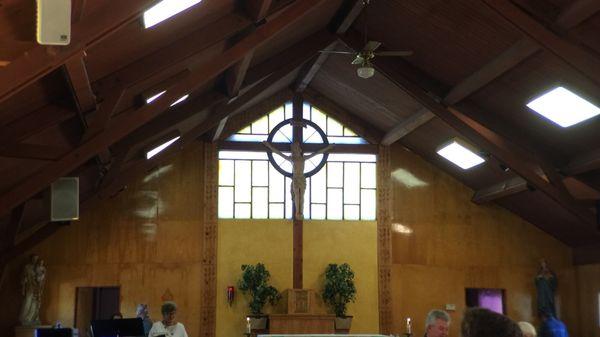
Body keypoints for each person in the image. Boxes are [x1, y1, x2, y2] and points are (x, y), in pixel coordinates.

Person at [263, 140, 333, 219]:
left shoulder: (303, 158)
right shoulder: (291, 158)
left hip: (301, 178)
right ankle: (297, 212)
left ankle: (301, 212)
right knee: (297, 195)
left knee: (301, 196)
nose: (296, 149)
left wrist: (328, 147)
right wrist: (268, 145)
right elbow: (278, 153)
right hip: (295, 178)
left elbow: (317, 153)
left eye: (297, 148)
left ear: (299, 149)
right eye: (294, 148)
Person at [19, 255, 46, 325]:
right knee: (28, 301)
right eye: (34, 259)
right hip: (29, 287)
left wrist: (41, 276)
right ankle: (25, 318)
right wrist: (24, 284)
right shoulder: (27, 267)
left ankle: (33, 317)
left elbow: (40, 278)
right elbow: (23, 277)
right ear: (31, 259)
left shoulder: (37, 268)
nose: (35, 260)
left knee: (35, 303)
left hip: (36, 288)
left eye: (36, 259)